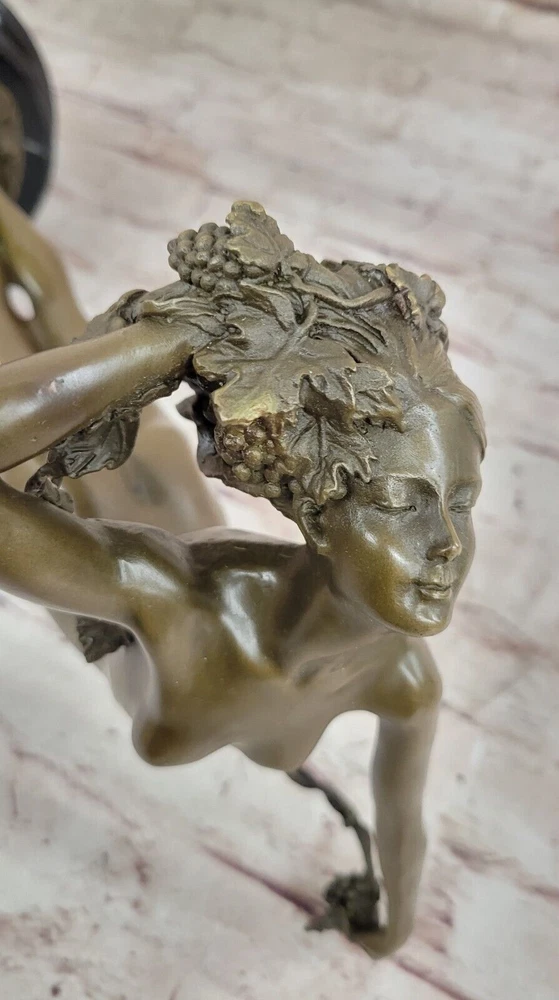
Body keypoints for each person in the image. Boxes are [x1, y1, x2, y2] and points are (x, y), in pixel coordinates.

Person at [0, 201, 484, 956]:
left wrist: (392, 926)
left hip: (165, 494)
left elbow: (402, 821)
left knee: (60, 315)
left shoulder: (404, 683)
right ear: (317, 518)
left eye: (461, 503)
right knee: (32, 319)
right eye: (403, 505)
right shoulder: (176, 598)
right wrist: (181, 334)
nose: (447, 545)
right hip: (94, 535)